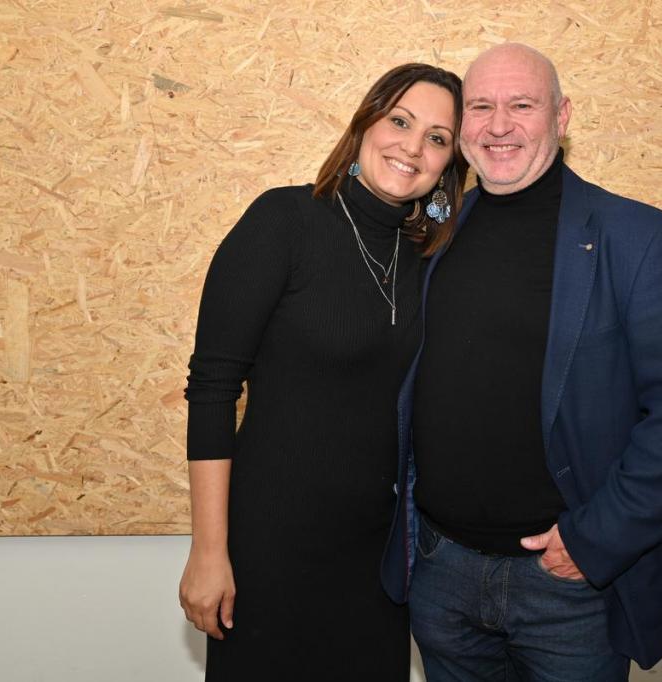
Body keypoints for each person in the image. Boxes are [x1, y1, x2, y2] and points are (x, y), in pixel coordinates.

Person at [382, 44, 662, 680]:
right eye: (480, 107)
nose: (499, 125)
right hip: (440, 574)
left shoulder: (640, 238)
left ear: (561, 117)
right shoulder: (431, 234)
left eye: (522, 105)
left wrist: (593, 543)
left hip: (569, 588)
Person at [179, 63, 467, 680]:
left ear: (449, 164)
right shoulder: (284, 220)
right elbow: (211, 389)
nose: (413, 147)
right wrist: (208, 551)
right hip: (270, 549)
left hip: (378, 560)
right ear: (365, 124)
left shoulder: (430, 260)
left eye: (438, 138)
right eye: (400, 122)